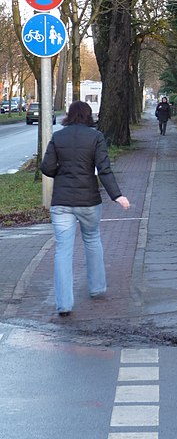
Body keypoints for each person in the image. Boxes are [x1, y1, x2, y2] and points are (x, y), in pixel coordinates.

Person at [40, 101, 130, 317]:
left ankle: (64, 304)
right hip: (89, 201)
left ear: (69, 116)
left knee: (63, 250)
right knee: (92, 239)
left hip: (61, 202)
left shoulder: (58, 137)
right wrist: (117, 196)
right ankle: (97, 288)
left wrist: (63, 172)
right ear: (88, 116)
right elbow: (104, 169)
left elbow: (47, 168)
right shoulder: (95, 137)